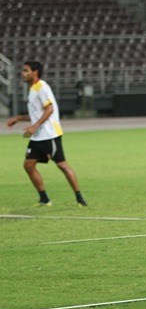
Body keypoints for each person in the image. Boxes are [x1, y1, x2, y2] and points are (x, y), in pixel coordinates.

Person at [6, 61, 88, 207]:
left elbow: (49, 109)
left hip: (49, 134)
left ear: (35, 72)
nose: (22, 73)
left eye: (26, 70)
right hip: (38, 136)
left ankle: (80, 198)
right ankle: (44, 199)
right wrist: (19, 118)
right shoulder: (33, 89)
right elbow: (37, 114)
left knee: (62, 165)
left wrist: (34, 126)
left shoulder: (42, 87)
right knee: (28, 165)